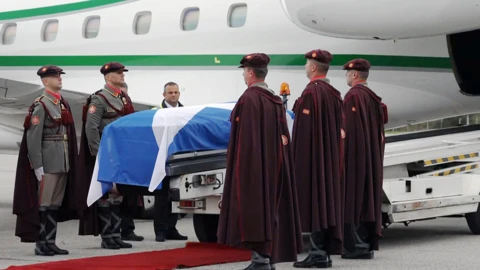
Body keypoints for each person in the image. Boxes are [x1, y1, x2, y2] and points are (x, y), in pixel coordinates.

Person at [217, 53, 303, 270]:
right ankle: (267, 258)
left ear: (251, 72)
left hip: (252, 167)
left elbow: (245, 139)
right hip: (273, 165)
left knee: (253, 209)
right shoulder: (273, 99)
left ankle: (260, 261)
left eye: (245, 72)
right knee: (268, 209)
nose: (244, 76)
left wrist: (242, 169)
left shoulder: (249, 99)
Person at [12, 66, 79, 256]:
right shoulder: (41, 105)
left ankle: (50, 241)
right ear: (45, 81)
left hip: (62, 160)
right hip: (48, 161)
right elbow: (33, 138)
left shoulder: (61, 103)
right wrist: (37, 164)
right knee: (44, 204)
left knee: (54, 204)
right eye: (54, 76)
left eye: (59, 76)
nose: (59, 79)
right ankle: (41, 243)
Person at [77, 62, 144, 249]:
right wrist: (98, 154)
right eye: (118, 73)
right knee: (106, 194)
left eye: (123, 72)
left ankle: (116, 234)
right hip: (106, 152)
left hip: (121, 151)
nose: (123, 75)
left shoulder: (123, 98)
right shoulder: (99, 99)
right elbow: (91, 127)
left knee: (118, 194)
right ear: (108, 77)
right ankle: (107, 236)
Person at [291, 49, 345, 268]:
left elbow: (303, 131)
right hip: (329, 157)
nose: (305, 68)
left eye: (307, 64)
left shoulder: (311, 92)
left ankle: (317, 253)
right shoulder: (333, 93)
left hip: (312, 158)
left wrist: (296, 160)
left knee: (314, 202)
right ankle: (323, 251)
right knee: (324, 202)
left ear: (313, 67)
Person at [341, 59, 388, 259]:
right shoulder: (372, 98)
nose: (345, 77)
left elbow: (348, 131)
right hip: (372, 157)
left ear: (354, 75)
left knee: (355, 199)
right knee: (369, 198)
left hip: (356, 158)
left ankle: (357, 246)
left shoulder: (353, 96)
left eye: (347, 73)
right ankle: (367, 244)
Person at [150, 82, 188, 242]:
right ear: (164, 95)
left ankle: (171, 228)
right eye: (170, 92)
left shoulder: (185, 111)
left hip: (178, 158)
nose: (173, 95)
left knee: (175, 195)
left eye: (176, 92)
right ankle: (160, 230)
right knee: (161, 197)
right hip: (161, 159)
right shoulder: (156, 112)